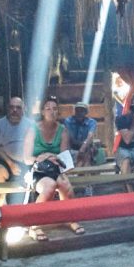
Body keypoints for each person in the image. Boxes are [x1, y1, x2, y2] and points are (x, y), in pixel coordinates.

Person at [28, 96, 84, 241]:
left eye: (54, 109)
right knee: (49, 187)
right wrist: (41, 157)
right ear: (42, 111)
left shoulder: (62, 130)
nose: (51, 112)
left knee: (66, 185)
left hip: (55, 167)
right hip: (37, 169)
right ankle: (34, 225)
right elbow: (25, 157)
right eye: (48, 109)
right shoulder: (33, 129)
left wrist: (50, 155)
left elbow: (63, 156)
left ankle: (70, 218)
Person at [0, 96, 36, 213]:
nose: (14, 110)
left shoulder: (31, 124)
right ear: (7, 109)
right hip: (5, 160)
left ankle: (32, 211)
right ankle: (1, 208)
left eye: (18, 108)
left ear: (24, 110)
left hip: (27, 162)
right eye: (12, 107)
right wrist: (10, 163)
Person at [64, 102, 98, 167]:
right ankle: (81, 171)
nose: (79, 113)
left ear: (86, 112)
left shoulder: (91, 122)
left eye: (82, 110)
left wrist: (82, 148)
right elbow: (70, 138)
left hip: (85, 147)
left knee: (87, 153)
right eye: (77, 110)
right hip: (72, 146)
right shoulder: (68, 121)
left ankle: (83, 171)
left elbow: (90, 136)